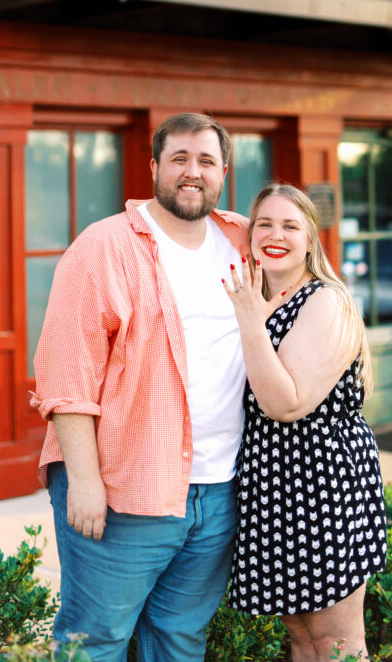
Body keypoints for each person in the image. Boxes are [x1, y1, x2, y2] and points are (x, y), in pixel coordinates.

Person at [31, 112, 250, 662]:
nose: (192, 172)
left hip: (221, 488)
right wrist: (83, 482)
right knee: (94, 641)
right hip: (124, 491)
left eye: (206, 161)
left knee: (179, 638)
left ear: (223, 170)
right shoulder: (103, 247)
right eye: (179, 158)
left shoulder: (244, 239)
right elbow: (67, 375)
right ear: (154, 167)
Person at [223, 182, 386, 662]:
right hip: (269, 486)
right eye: (264, 224)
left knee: (337, 643)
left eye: (290, 225)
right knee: (301, 640)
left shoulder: (324, 301)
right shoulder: (255, 297)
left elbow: (286, 404)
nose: (276, 234)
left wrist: (251, 325)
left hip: (321, 484)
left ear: (311, 239)